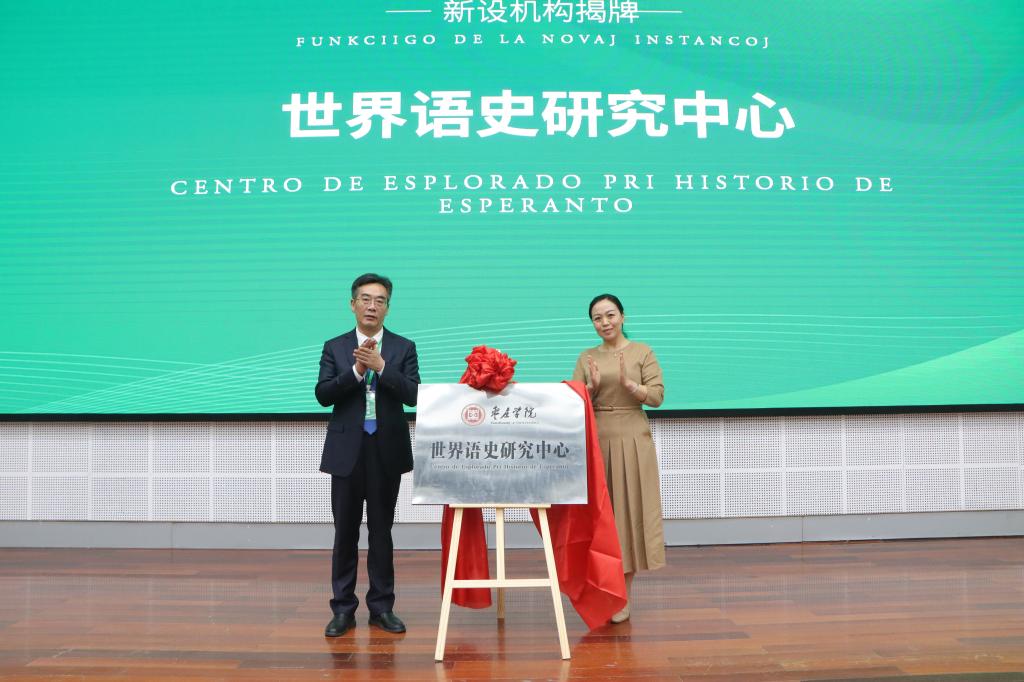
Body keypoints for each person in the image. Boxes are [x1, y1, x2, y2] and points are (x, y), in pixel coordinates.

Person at [315, 273, 420, 637]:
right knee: (344, 532)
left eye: (379, 300)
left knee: (381, 532)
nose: (372, 306)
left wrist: (382, 368)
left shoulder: (403, 348)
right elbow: (323, 394)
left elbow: (414, 395)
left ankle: (381, 607)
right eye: (365, 299)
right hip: (347, 451)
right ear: (353, 304)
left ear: (388, 307)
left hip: (385, 450)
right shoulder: (335, 347)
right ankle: (343, 609)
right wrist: (358, 370)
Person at [572, 294, 665, 623]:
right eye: (597, 318)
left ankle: (622, 594)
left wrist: (630, 385)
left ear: (623, 316)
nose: (605, 322)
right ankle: (599, 590)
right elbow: (573, 401)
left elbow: (657, 396)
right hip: (597, 439)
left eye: (610, 315)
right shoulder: (587, 357)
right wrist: (591, 389)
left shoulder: (642, 351)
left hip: (632, 438)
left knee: (627, 515)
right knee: (600, 519)